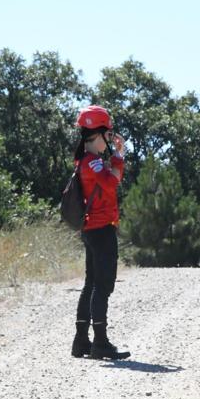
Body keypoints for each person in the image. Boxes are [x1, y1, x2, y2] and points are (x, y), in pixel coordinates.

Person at [70, 105, 131, 360]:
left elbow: (110, 181)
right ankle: (100, 342)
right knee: (102, 285)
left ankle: (81, 341)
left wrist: (114, 158)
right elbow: (112, 183)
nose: (110, 138)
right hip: (101, 229)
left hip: (92, 228)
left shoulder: (86, 160)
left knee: (91, 283)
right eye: (108, 133)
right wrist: (119, 155)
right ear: (98, 134)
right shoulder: (93, 162)